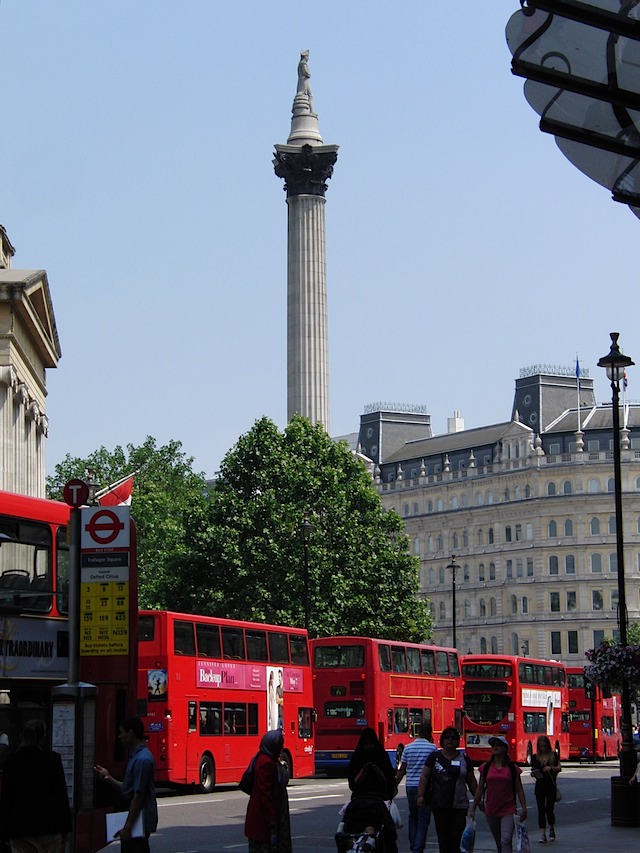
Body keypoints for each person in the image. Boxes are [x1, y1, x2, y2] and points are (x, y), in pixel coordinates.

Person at [0, 718, 71, 853]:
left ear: (23, 736)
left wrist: (4, 832)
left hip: (20, 829)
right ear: (42, 737)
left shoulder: (11, 762)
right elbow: (61, 795)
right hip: (50, 827)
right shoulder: (53, 760)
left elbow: (6, 799)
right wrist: (66, 828)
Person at [95, 716, 158, 852]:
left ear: (130, 733)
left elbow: (138, 795)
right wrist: (108, 778)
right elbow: (128, 789)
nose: (119, 736)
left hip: (138, 822)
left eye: (121, 732)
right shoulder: (136, 756)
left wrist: (128, 827)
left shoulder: (142, 759)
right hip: (136, 821)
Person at [416, 726, 477, 853]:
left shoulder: (464, 759)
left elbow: (471, 781)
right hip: (439, 804)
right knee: (443, 838)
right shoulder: (434, 757)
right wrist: (420, 795)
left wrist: (478, 799)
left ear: (457, 741)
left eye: (453, 737)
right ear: (442, 740)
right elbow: (424, 776)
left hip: (459, 805)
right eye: (447, 737)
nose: (450, 740)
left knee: (457, 837)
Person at [469, 735, 527, 853]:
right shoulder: (486, 767)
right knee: (499, 842)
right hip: (491, 810)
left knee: (505, 840)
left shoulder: (512, 768)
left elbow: (519, 789)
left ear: (505, 749)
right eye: (493, 745)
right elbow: (480, 788)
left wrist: (524, 808)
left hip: (508, 810)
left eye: (498, 745)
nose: (495, 747)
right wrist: (473, 808)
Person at [244, 729, 291, 853]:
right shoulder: (265, 763)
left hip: (260, 819)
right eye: (280, 745)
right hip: (262, 822)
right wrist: (272, 820)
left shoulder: (261, 757)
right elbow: (266, 795)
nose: (281, 748)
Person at [395, 722, 436, 853]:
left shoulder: (408, 748)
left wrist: (394, 785)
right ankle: (417, 849)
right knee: (423, 819)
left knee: (413, 817)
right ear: (430, 733)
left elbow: (402, 770)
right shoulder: (432, 748)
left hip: (410, 786)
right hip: (425, 788)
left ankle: (414, 846)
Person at [348, 727, 396, 802]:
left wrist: (377, 770)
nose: (369, 747)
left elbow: (388, 780)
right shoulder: (358, 757)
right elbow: (353, 784)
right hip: (361, 798)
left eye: (371, 744)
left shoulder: (380, 756)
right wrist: (364, 771)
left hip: (379, 798)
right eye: (366, 744)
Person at [531, 735, 561, 843]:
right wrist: (534, 773)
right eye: (541, 746)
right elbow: (534, 769)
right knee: (540, 810)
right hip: (540, 786)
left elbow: (559, 768)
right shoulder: (535, 757)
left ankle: (552, 828)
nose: (543, 748)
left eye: (544, 746)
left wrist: (550, 768)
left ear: (548, 745)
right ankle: (542, 834)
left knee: (549, 809)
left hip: (550, 786)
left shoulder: (554, 756)